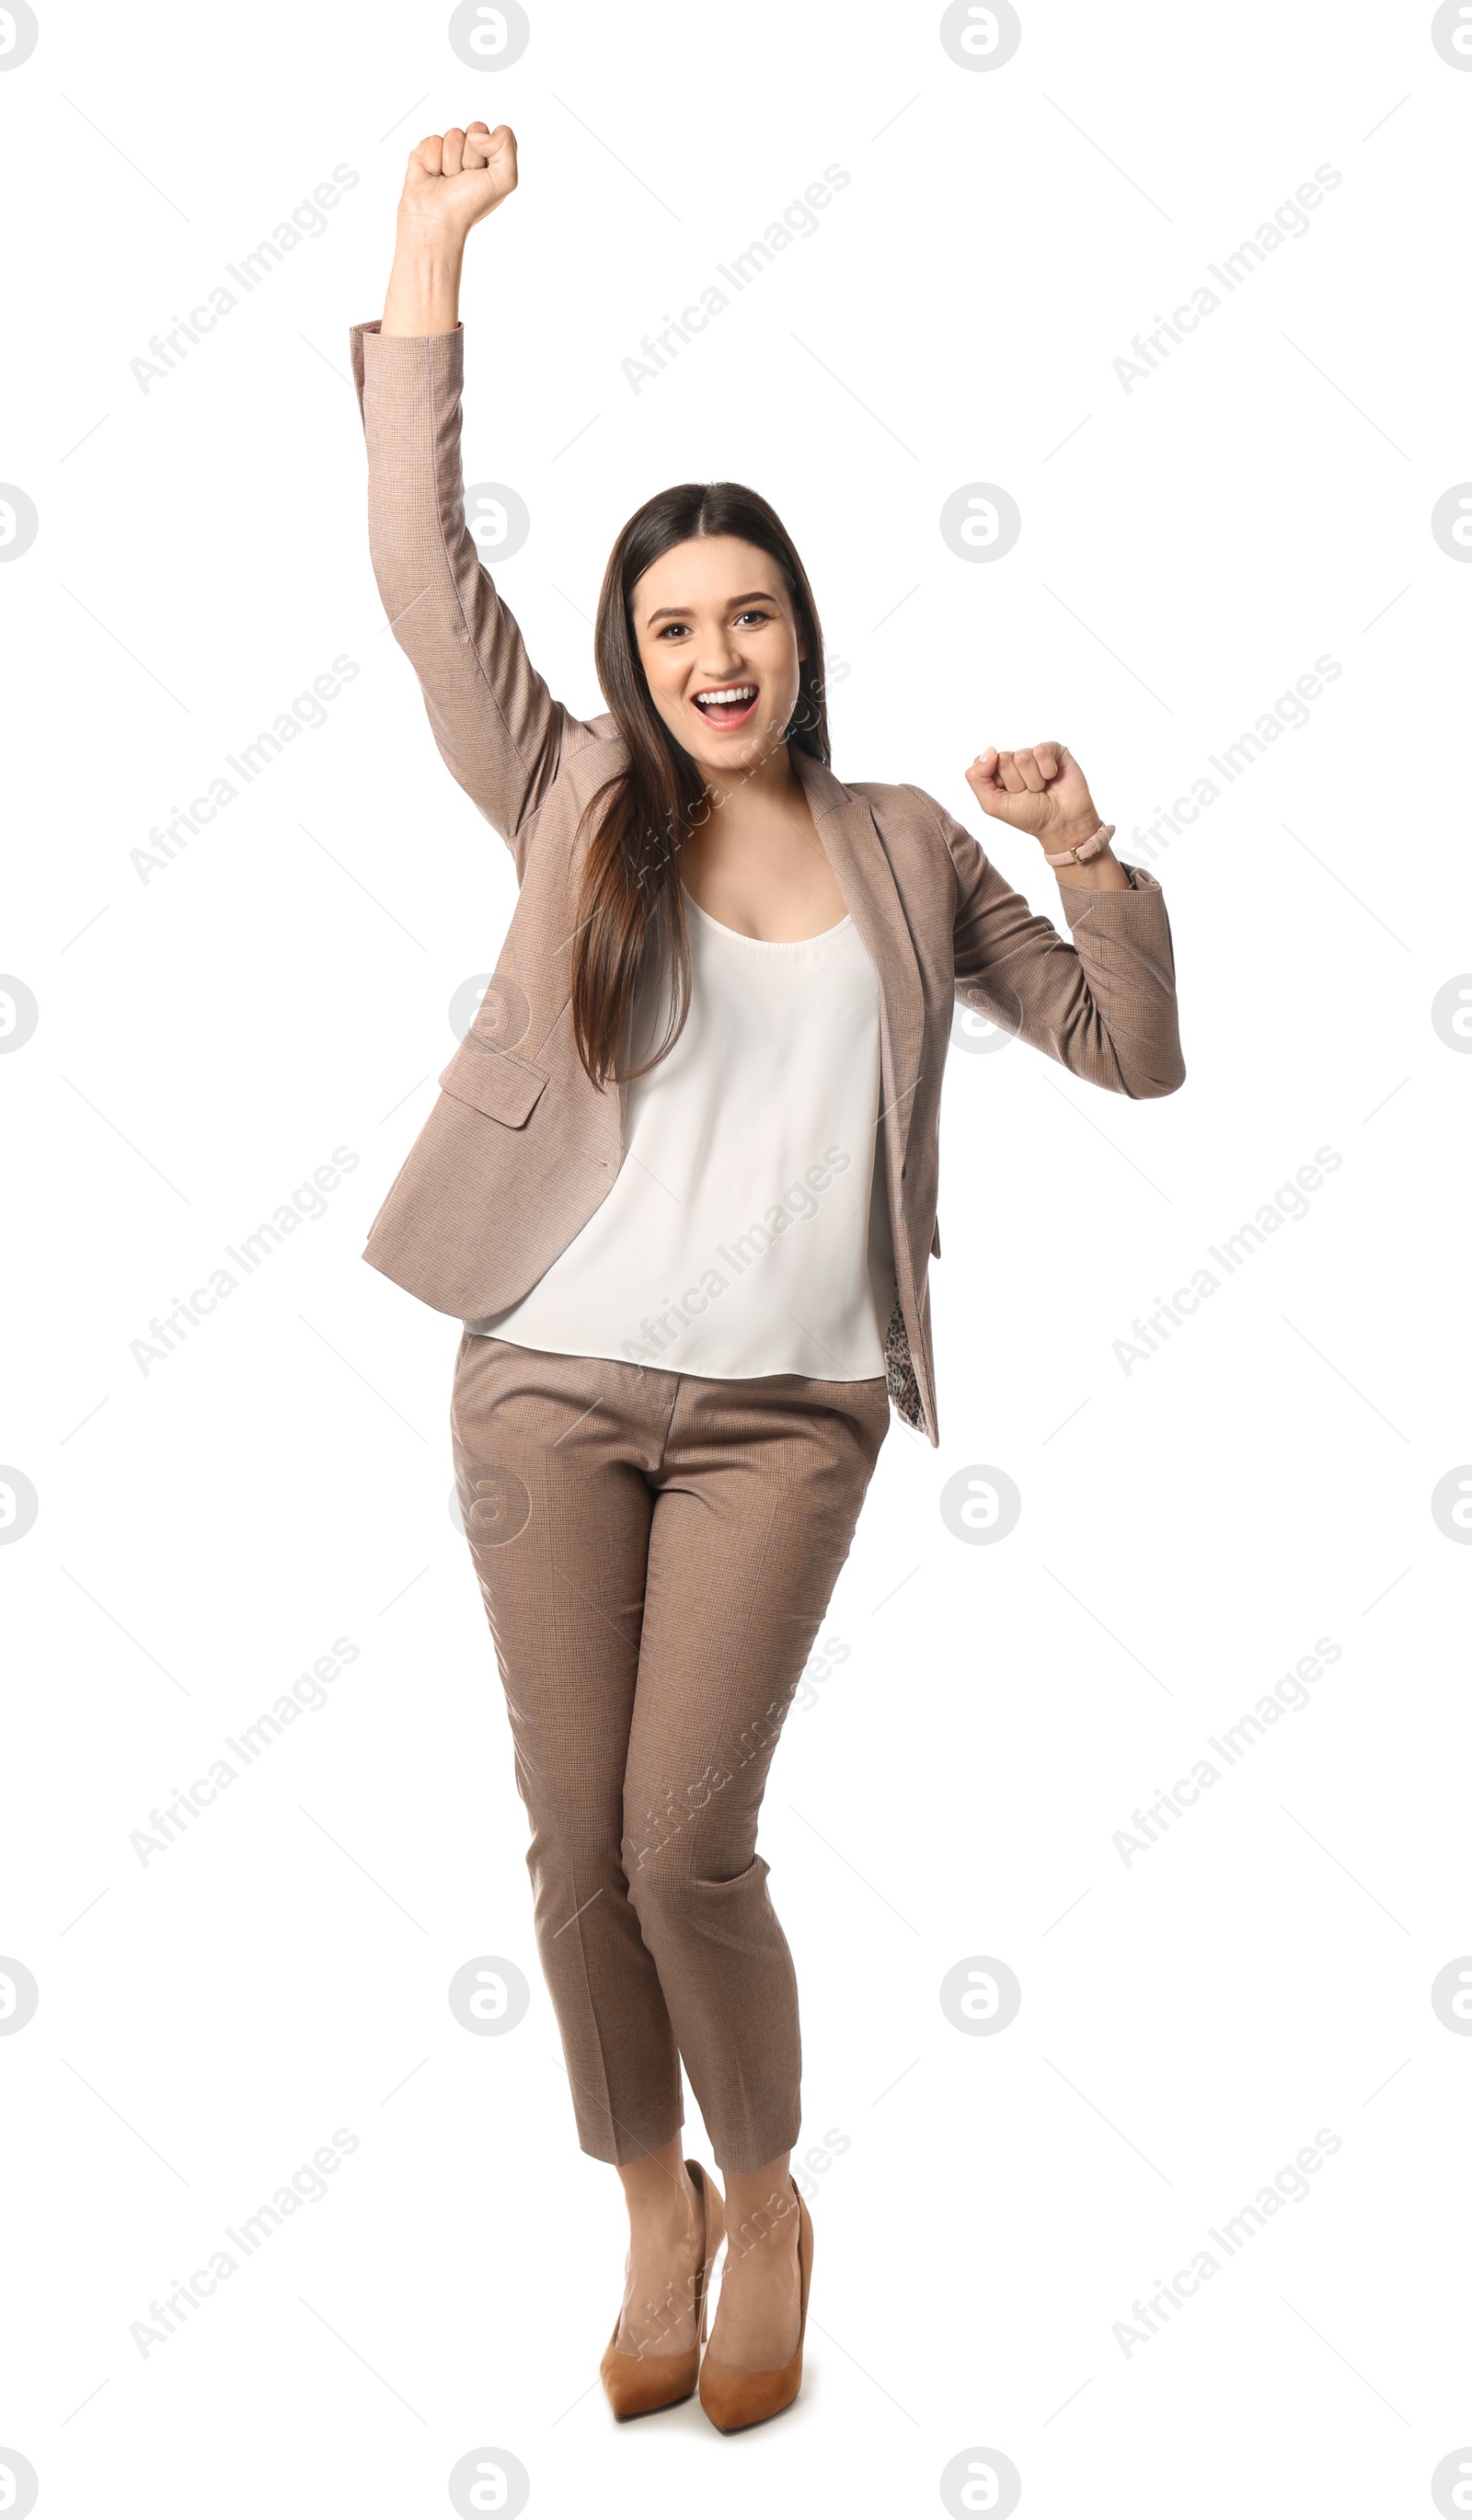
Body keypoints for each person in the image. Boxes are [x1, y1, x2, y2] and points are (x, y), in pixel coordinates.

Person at [351, 119, 1185, 2435]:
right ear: (629, 655)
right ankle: (649, 2198)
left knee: (677, 1832)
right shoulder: (573, 797)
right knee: (565, 1839)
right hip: (542, 1390)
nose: (712, 655)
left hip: (783, 1420)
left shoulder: (911, 848)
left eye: (748, 614)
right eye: (669, 624)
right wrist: (425, 261)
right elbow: (429, 582)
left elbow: (1131, 1053)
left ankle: (774, 2190)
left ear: (800, 631)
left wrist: (1081, 845)